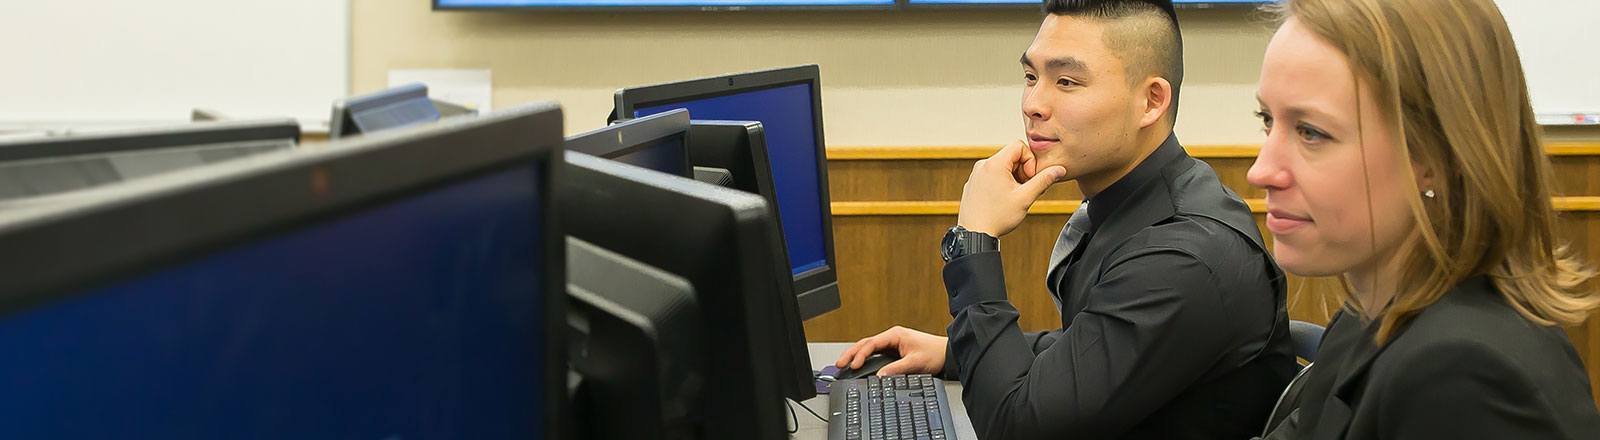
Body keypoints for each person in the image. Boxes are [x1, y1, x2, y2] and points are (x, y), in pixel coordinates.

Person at [835, 0, 1297, 438]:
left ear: (1151, 101)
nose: (1034, 103)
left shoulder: (1185, 255)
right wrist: (951, 351)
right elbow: (1096, 349)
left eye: (1066, 82)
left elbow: (1016, 427)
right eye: (1031, 76)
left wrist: (974, 240)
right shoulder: (1139, 202)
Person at [1249, 0, 1600, 437]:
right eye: (1268, 120)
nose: (1260, 171)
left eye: (1311, 133)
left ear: (1435, 153)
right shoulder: (1371, 312)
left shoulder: (1463, 377)